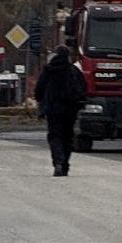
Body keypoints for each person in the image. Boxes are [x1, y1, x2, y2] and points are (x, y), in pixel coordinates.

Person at [34, 45, 87, 177]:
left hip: (53, 109)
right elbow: (83, 88)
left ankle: (58, 161)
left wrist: (41, 102)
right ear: (68, 56)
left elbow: (39, 88)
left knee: (54, 136)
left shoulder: (49, 70)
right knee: (68, 136)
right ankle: (65, 165)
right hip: (70, 109)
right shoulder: (73, 70)